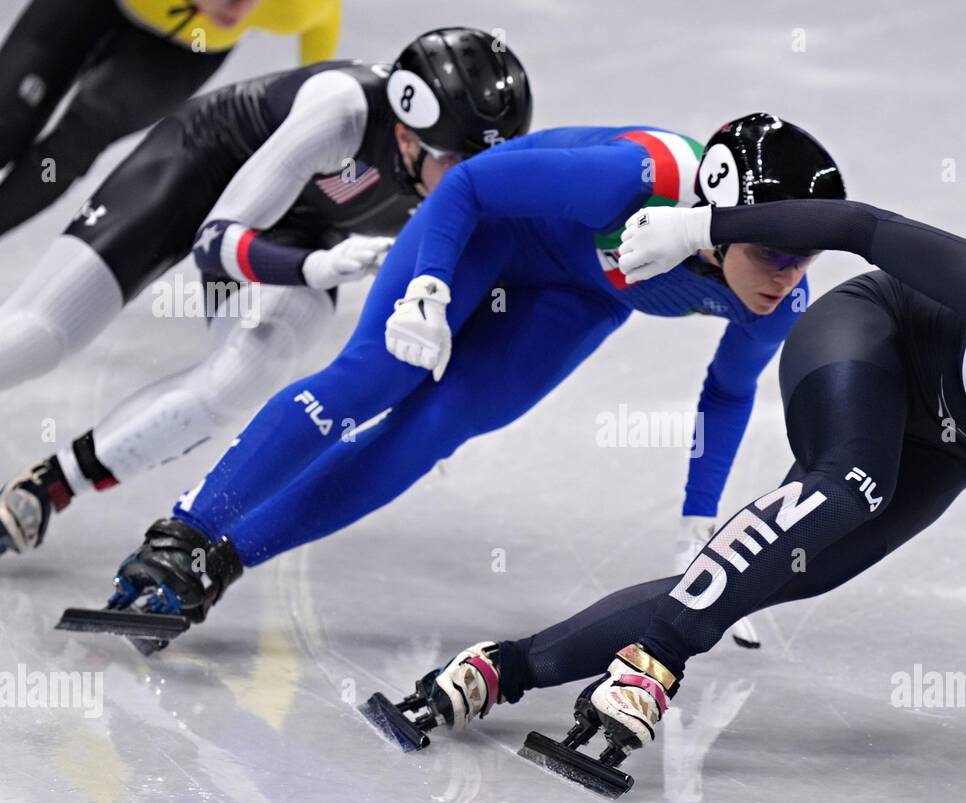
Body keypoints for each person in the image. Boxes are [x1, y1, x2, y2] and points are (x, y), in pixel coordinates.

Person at [367, 200, 966, 782]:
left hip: (953, 438)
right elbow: (862, 226)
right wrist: (702, 229)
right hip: (870, 337)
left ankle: (497, 669)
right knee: (851, 486)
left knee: (797, 570)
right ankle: (656, 661)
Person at [84, 114, 846, 642]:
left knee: (434, 428)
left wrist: (697, 517)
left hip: (578, 294)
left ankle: (221, 562)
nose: (787, 277)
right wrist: (430, 287)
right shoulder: (631, 178)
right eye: (775, 254)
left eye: (805, 257)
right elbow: (469, 187)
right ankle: (184, 531)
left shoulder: (777, 302)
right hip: (487, 228)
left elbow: (729, 389)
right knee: (379, 374)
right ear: (717, 218)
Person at [0, 28, 533, 556]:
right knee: (39, 336)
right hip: (199, 168)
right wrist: (317, 265)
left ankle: (51, 485)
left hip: (302, 227)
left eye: (489, 163)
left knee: (247, 370)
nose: (474, 181)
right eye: (456, 163)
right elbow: (216, 241)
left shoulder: (461, 172)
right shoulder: (343, 110)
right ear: (404, 137)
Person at [0, 0, 343, 237]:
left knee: (75, 143)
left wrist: (310, 109)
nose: (241, 10)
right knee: (7, 115)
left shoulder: (298, 7)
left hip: (185, 50)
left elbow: (320, 48)